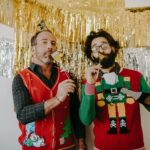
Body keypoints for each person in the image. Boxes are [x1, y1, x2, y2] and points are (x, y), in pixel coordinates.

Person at [12, 22, 86, 150]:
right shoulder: (21, 78)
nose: (49, 47)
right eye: (44, 42)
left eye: (53, 43)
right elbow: (23, 115)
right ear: (33, 49)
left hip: (67, 146)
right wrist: (57, 99)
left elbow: (75, 112)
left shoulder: (67, 76)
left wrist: (81, 143)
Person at [79, 29, 150, 150]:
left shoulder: (135, 76)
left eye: (104, 45)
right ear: (92, 55)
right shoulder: (88, 81)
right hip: (102, 147)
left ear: (113, 49)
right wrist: (90, 84)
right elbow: (86, 120)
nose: (100, 49)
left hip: (135, 146)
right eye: (95, 48)